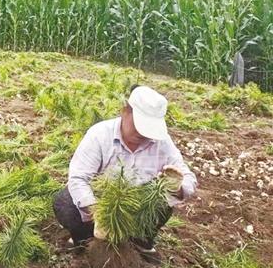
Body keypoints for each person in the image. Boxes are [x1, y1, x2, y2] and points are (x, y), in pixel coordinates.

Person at [53, 85, 197, 253]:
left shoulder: (162, 143)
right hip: (101, 205)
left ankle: (141, 242)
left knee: (162, 201)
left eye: (148, 129)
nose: (142, 134)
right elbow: (78, 179)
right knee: (65, 202)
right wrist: (97, 214)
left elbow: (188, 178)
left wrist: (177, 187)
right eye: (139, 126)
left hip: (137, 208)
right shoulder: (100, 135)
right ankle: (84, 238)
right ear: (125, 111)